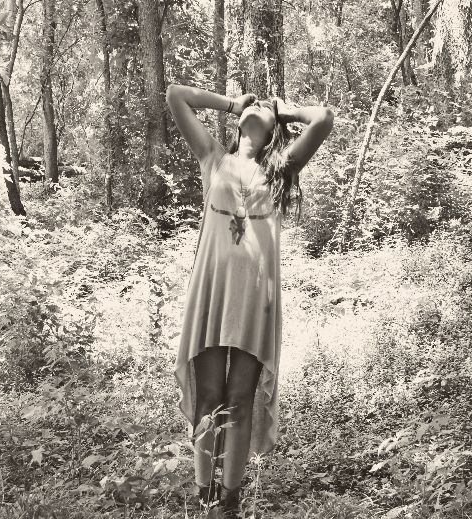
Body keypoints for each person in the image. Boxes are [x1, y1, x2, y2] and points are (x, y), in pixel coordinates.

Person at [166, 83, 334, 518]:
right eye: (252, 104)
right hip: (212, 293)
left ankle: (229, 501)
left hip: (256, 296)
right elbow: (176, 95)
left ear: (273, 129)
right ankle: (204, 495)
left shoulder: (280, 170)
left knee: (239, 399)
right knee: (209, 397)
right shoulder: (213, 157)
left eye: (264, 107)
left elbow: (323, 118)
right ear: (239, 122)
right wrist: (231, 103)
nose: (257, 104)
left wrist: (282, 109)